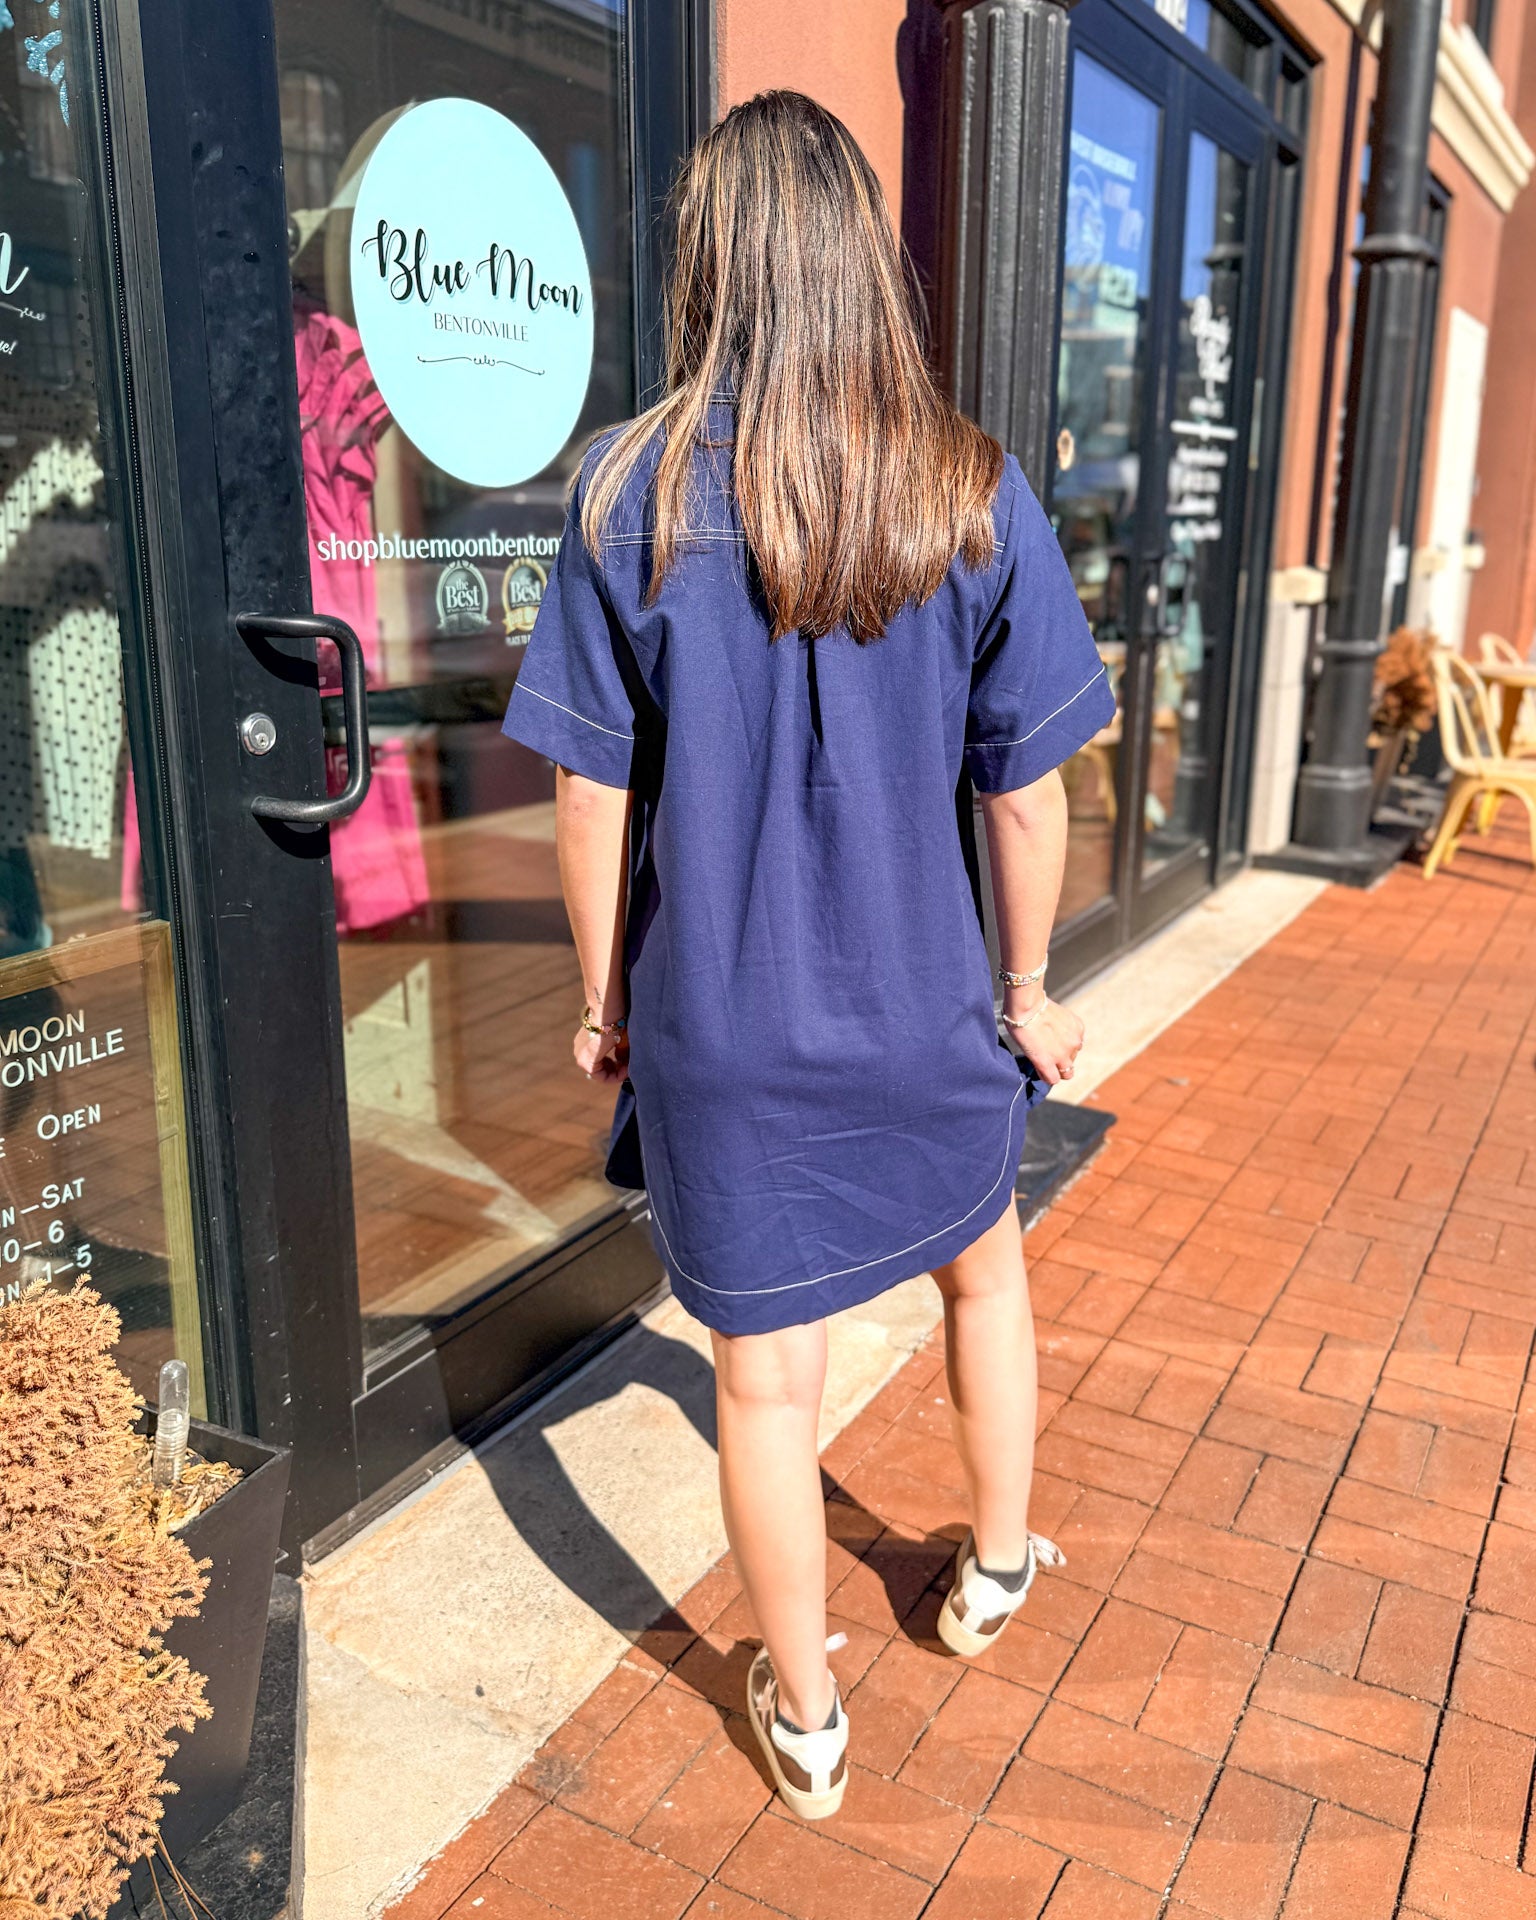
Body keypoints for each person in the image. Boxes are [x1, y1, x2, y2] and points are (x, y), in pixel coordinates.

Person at [502, 89, 1114, 1821]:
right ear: (868, 261)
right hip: (931, 1017)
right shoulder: (966, 486)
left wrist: (605, 1001)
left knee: (763, 1384)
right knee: (985, 1277)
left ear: (711, 261)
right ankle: (992, 1571)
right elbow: (1028, 798)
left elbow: (585, 795)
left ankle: (806, 1714)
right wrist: (1026, 992)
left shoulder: (627, 492)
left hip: (727, 1029)